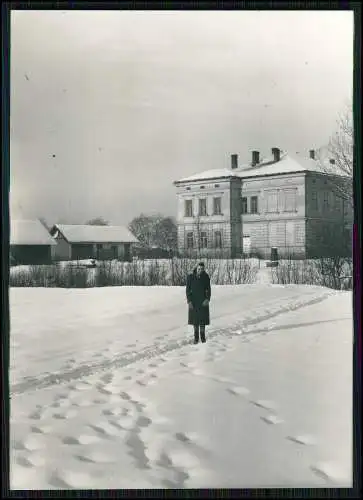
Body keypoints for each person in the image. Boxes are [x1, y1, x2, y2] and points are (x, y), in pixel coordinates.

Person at [186, 262, 211, 344]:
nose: (200, 270)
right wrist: (189, 301)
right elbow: (188, 290)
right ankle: (196, 338)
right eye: (199, 269)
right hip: (194, 302)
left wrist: (207, 299)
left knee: (202, 321)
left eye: (202, 269)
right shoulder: (190, 277)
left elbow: (209, 289)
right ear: (196, 268)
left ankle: (203, 337)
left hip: (203, 302)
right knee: (195, 321)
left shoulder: (206, 277)